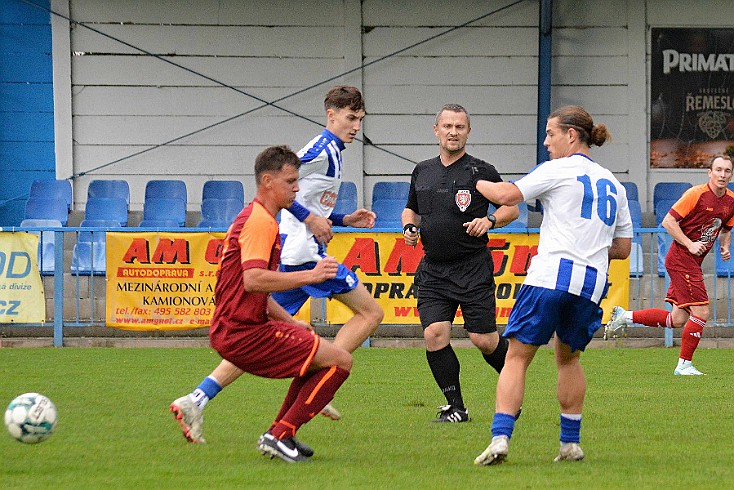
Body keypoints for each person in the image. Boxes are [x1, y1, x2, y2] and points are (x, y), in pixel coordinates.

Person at [170, 86, 383, 444]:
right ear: (331, 115)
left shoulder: (335, 151)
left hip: (295, 255)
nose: (356, 126)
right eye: (350, 118)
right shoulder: (320, 148)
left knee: (256, 340)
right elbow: (284, 182)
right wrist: (311, 220)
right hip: (303, 256)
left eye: (360, 120)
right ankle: (322, 374)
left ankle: (197, 398)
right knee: (371, 313)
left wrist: (343, 219)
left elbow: (311, 201)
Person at [473, 105, 633, 465]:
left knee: (516, 357)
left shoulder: (558, 169)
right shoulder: (614, 184)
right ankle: (570, 444)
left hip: (550, 276)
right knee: (568, 359)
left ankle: (500, 439)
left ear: (571, 136)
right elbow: (622, 249)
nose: (546, 142)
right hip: (591, 284)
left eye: (551, 134)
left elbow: (505, 196)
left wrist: (473, 180)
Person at [174, 145, 352, 463]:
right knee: (340, 361)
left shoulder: (260, 218)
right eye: (290, 181)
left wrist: (291, 321)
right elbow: (253, 280)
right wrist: (311, 274)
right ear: (268, 181)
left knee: (315, 356)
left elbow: (258, 293)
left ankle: (284, 434)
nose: (297, 188)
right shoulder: (260, 222)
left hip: (239, 327)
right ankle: (279, 434)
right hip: (243, 331)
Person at [401, 104, 520, 423]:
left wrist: (491, 219)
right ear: (436, 130)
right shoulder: (422, 170)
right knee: (434, 334)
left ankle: (514, 386)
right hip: (433, 270)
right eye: (447, 126)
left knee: (484, 340)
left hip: (472, 268)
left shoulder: (482, 171)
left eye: (460, 127)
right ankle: (456, 407)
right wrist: (409, 228)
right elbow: (410, 209)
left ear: (468, 132)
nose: (453, 132)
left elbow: (512, 208)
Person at [605, 154, 734, 376]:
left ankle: (624, 316)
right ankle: (684, 365)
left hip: (692, 261)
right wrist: (689, 244)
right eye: (718, 170)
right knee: (702, 310)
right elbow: (668, 221)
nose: (722, 175)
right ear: (709, 173)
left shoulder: (731, 200)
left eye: (727, 171)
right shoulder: (696, 194)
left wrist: (725, 247)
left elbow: (725, 228)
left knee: (677, 319)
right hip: (681, 258)